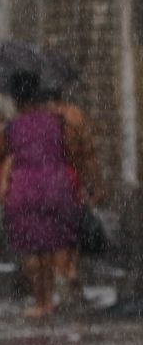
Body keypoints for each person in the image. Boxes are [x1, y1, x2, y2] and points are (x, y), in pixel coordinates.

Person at [0, 72, 84, 319]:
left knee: (31, 248)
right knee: (50, 245)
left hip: (25, 188)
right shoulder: (58, 121)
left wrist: (5, 134)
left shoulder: (12, 126)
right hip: (55, 185)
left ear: (17, 98)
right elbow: (73, 151)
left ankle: (39, 301)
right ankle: (49, 299)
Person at [42, 94, 102, 309]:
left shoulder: (39, 119)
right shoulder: (74, 116)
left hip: (44, 181)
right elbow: (87, 154)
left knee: (52, 232)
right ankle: (71, 271)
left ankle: (60, 280)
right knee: (71, 230)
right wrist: (94, 185)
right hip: (69, 178)